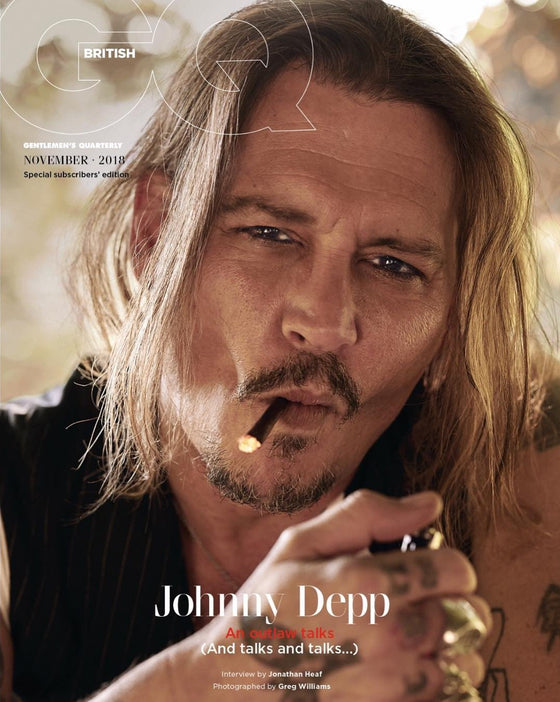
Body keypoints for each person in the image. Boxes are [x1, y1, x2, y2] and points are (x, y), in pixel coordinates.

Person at [1, 0, 558, 700]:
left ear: (452, 320)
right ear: (154, 237)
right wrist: (218, 678)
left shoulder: (524, 479)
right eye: (269, 235)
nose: (323, 323)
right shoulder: (14, 494)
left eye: (393, 266)